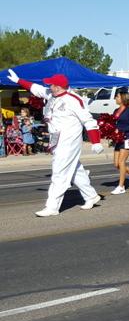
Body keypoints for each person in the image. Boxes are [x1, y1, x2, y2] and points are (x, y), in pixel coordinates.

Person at [7, 70, 104, 216]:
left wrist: (96, 142)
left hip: (69, 141)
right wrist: (18, 80)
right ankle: (91, 195)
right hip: (56, 139)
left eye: (51, 84)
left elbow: (89, 121)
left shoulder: (74, 100)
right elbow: (36, 88)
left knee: (59, 172)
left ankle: (52, 207)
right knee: (75, 170)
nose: (49, 86)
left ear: (58, 87)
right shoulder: (51, 94)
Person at [110, 90, 129, 195]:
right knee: (116, 164)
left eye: (117, 96)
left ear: (123, 98)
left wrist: (120, 129)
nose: (115, 98)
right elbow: (114, 124)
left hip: (128, 137)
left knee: (122, 162)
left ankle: (121, 186)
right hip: (118, 138)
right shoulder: (116, 110)